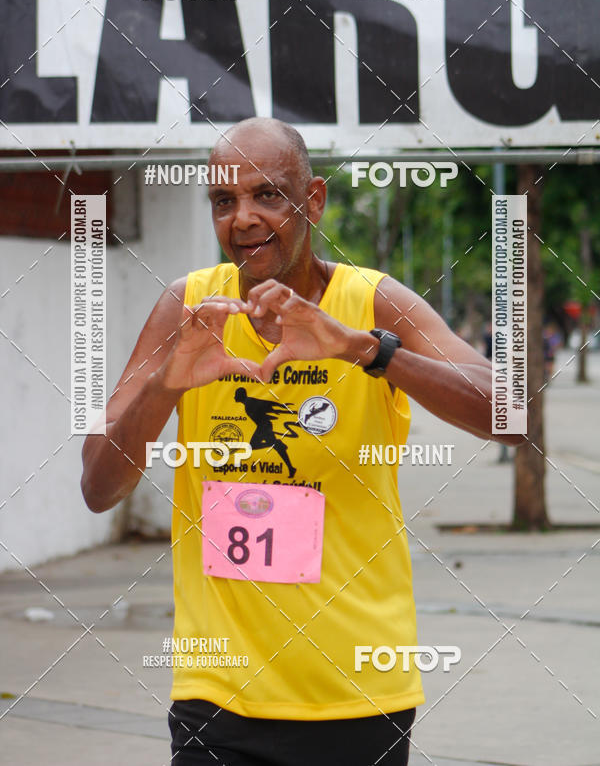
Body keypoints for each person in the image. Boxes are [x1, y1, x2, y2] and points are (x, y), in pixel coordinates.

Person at [81, 118, 522, 765]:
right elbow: (98, 486)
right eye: (224, 201)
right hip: (219, 696)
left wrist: (366, 349)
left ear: (313, 200)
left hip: (357, 693)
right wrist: (163, 388)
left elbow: (510, 412)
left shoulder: (368, 304)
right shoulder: (189, 309)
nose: (244, 219)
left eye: (268, 196)